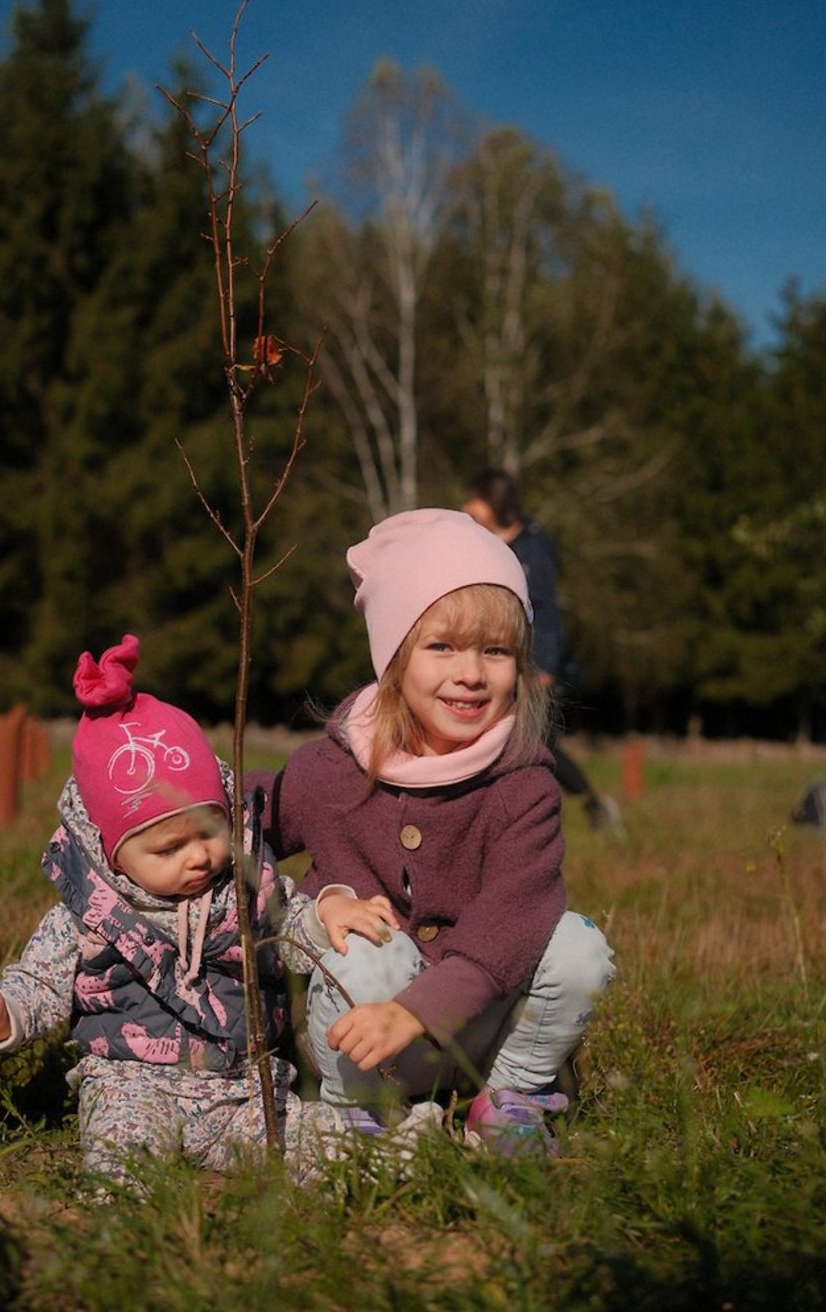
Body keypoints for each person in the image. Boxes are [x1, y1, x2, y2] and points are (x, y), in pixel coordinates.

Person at [0, 634, 389, 1187]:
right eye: (167, 849)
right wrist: (4, 1014)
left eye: (209, 831)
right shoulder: (89, 915)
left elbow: (291, 930)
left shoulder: (245, 888)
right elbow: (39, 979)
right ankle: (126, 1234)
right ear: (110, 853)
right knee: (123, 1159)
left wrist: (325, 915)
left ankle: (404, 1150)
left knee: (319, 1144)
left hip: (244, 1088)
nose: (199, 857)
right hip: (130, 1084)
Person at [249, 509, 615, 1155]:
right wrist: (171, 791)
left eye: (495, 650)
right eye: (442, 646)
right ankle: (356, 1112)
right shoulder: (337, 769)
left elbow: (511, 919)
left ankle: (508, 1099)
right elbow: (253, 814)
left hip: (477, 1030)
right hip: (365, 1038)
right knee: (367, 944)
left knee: (576, 947)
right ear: (393, 652)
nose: (471, 673)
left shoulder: (523, 782)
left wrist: (420, 1012)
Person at [463, 468, 620, 829]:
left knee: (538, 744)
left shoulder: (535, 547)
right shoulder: (483, 544)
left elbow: (546, 609)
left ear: (494, 503)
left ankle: (592, 805)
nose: (467, 506)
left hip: (535, 666)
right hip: (496, 659)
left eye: (475, 499)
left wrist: (545, 667)